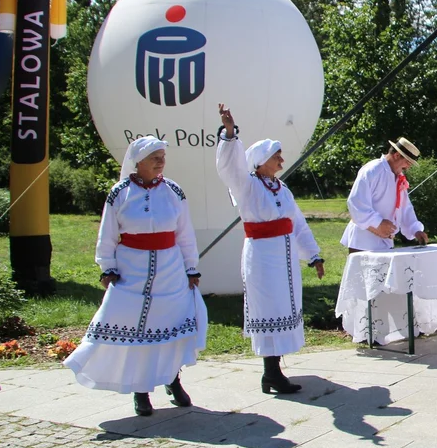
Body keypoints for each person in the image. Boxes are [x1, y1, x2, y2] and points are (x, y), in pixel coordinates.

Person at [65, 137, 207, 417]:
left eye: (162, 156)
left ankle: (173, 380)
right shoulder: (120, 192)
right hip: (132, 272)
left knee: (170, 325)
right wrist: (107, 266)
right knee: (136, 328)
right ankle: (141, 392)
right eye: (154, 156)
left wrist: (191, 267)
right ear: (138, 161)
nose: (160, 161)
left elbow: (185, 234)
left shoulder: (173, 191)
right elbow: (107, 233)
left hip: (169, 269)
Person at [216, 105, 325, 394]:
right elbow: (229, 168)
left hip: (285, 257)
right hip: (262, 257)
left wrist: (313, 255)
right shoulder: (247, 186)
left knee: (283, 308)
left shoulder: (282, 188)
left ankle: (274, 371)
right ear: (262, 160)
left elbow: (297, 223)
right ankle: (271, 372)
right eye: (276, 156)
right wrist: (229, 134)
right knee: (268, 310)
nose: (281, 160)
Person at [339, 137, 428, 253]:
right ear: (396, 155)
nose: (408, 167)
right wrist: (378, 223)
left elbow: (405, 208)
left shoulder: (398, 177)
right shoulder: (372, 170)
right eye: (408, 162)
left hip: (385, 243)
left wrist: (415, 229)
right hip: (363, 241)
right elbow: (356, 203)